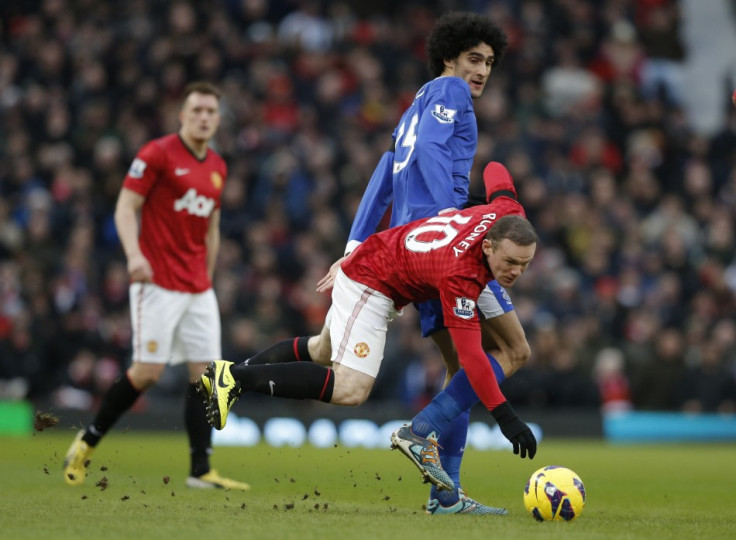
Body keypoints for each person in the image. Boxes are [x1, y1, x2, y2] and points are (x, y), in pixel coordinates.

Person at [241, 13, 528, 514]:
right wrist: (449, 219)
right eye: (473, 59)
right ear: (449, 59)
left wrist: (354, 244)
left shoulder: (414, 105)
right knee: (509, 350)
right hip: (440, 248)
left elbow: (384, 176)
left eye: (488, 62)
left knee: (364, 349)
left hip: (409, 243)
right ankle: (440, 479)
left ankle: (234, 376)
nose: (481, 71)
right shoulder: (452, 93)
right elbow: (435, 154)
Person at [199, 185, 538, 510]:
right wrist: (505, 417)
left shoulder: (506, 213)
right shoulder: (460, 277)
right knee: (351, 388)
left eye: (525, 264)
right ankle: (235, 377)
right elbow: (471, 357)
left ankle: (231, 378)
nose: (517, 272)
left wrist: (480, 198)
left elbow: (496, 171)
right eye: (510, 262)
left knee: (320, 349)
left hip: (373, 261)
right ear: (489, 247)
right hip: (372, 282)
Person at [63, 81, 250, 491]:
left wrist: (210, 275)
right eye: (196, 110)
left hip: (197, 286)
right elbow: (125, 207)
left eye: (210, 112)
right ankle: (87, 441)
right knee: (146, 372)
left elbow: (212, 229)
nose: (203, 117)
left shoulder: (217, 167)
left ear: (218, 120)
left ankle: (200, 470)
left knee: (205, 378)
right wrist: (134, 255)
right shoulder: (157, 154)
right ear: (181, 115)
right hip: (157, 282)